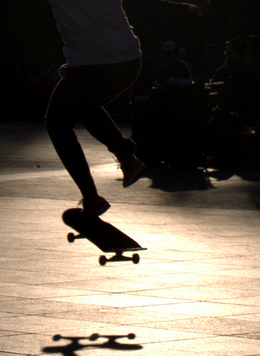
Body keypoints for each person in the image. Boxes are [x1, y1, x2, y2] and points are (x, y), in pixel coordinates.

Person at [44, 0, 210, 217]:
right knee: (83, 103)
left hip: (92, 66)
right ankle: (127, 159)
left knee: (57, 123)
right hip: (128, 62)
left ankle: (92, 198)